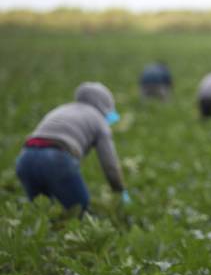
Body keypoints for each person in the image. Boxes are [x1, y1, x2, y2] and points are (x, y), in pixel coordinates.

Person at [15, 82, 130, 212]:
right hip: (55, 158)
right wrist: (119, 190)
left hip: (25, 158)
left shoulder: (62, 109)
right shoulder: (99, 120)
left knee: (41, 213)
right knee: (78, 209)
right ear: (105, 104)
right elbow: (110, 164)